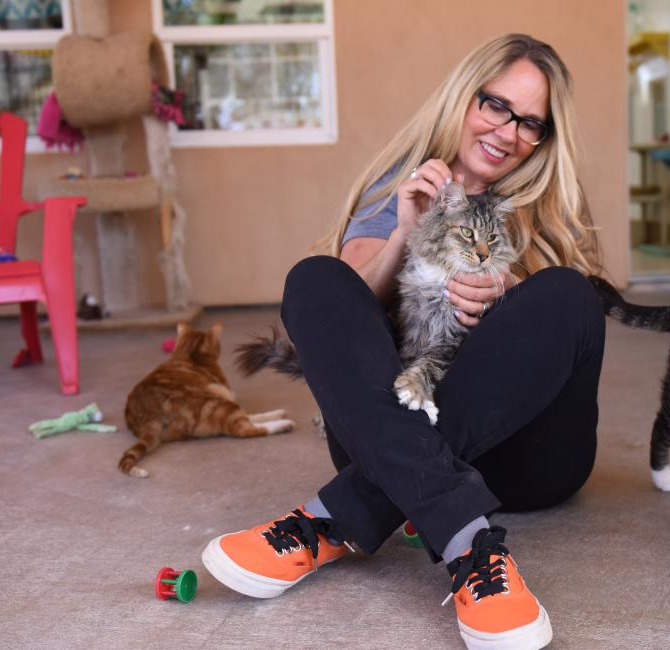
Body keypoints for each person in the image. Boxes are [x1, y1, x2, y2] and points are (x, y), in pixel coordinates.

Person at [201, 34, 604, 650]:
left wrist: (508, 293)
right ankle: (469, 544)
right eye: (496, 105)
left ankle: (332, 520)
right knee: (315, 277)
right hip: (402, 430)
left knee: (569, 294)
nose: (508, 131)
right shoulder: (406, 183)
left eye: (530, 122)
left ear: (545, 138)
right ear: (464, 98)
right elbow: (348, 298)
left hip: (527, 458)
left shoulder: (549, 204)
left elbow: (560, 328)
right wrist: (407, 235)